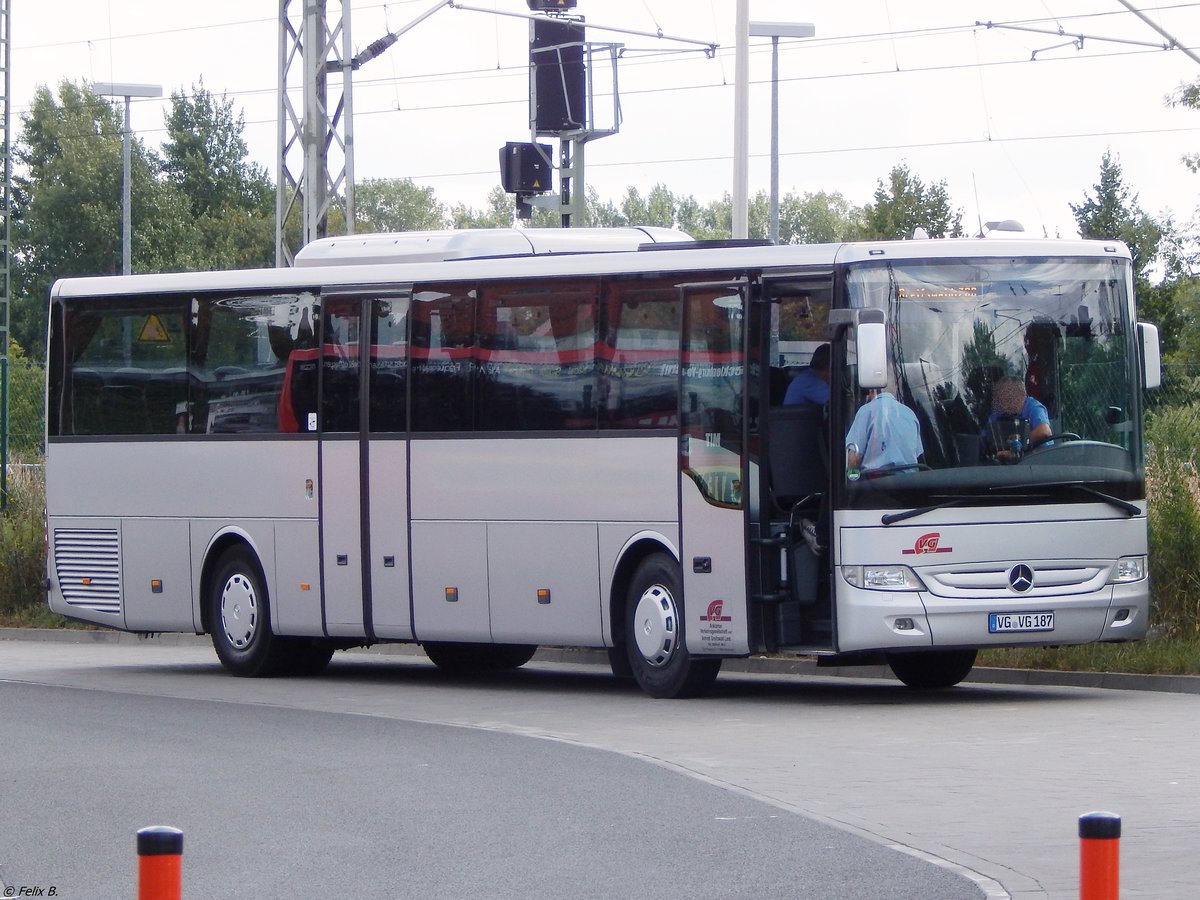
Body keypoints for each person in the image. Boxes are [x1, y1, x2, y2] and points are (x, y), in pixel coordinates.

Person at [844, 383, 924, 474]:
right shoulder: (910, 413)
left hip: (878, 483)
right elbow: (917, 454)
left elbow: (854, 459)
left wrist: (850, 479)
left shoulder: (866, 411)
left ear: (871, 390)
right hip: (911, 482)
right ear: (895, 390)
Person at [985, 375, 1052, 459]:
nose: (1003, 403)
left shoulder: (1034, 407)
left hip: (1039, 460)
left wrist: (1019, 446)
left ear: (1021, 395)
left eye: (1008, 398)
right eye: (1000, 398)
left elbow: (1044, 431)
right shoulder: (999, 413)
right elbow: (985, 435)